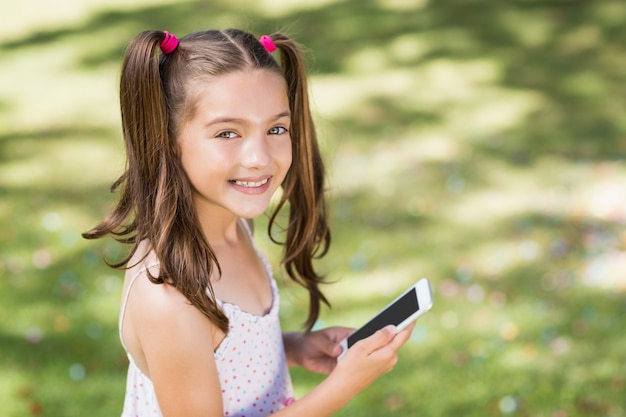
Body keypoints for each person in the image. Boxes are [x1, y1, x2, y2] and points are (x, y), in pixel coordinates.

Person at [83, 27, 415, 417]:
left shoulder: (234, 224)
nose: (259, 157)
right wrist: (345, 385)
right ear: (168, 139)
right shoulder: (171, 296)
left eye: (276, 128)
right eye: (228, 133)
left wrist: (293, 347)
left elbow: (223, 350)